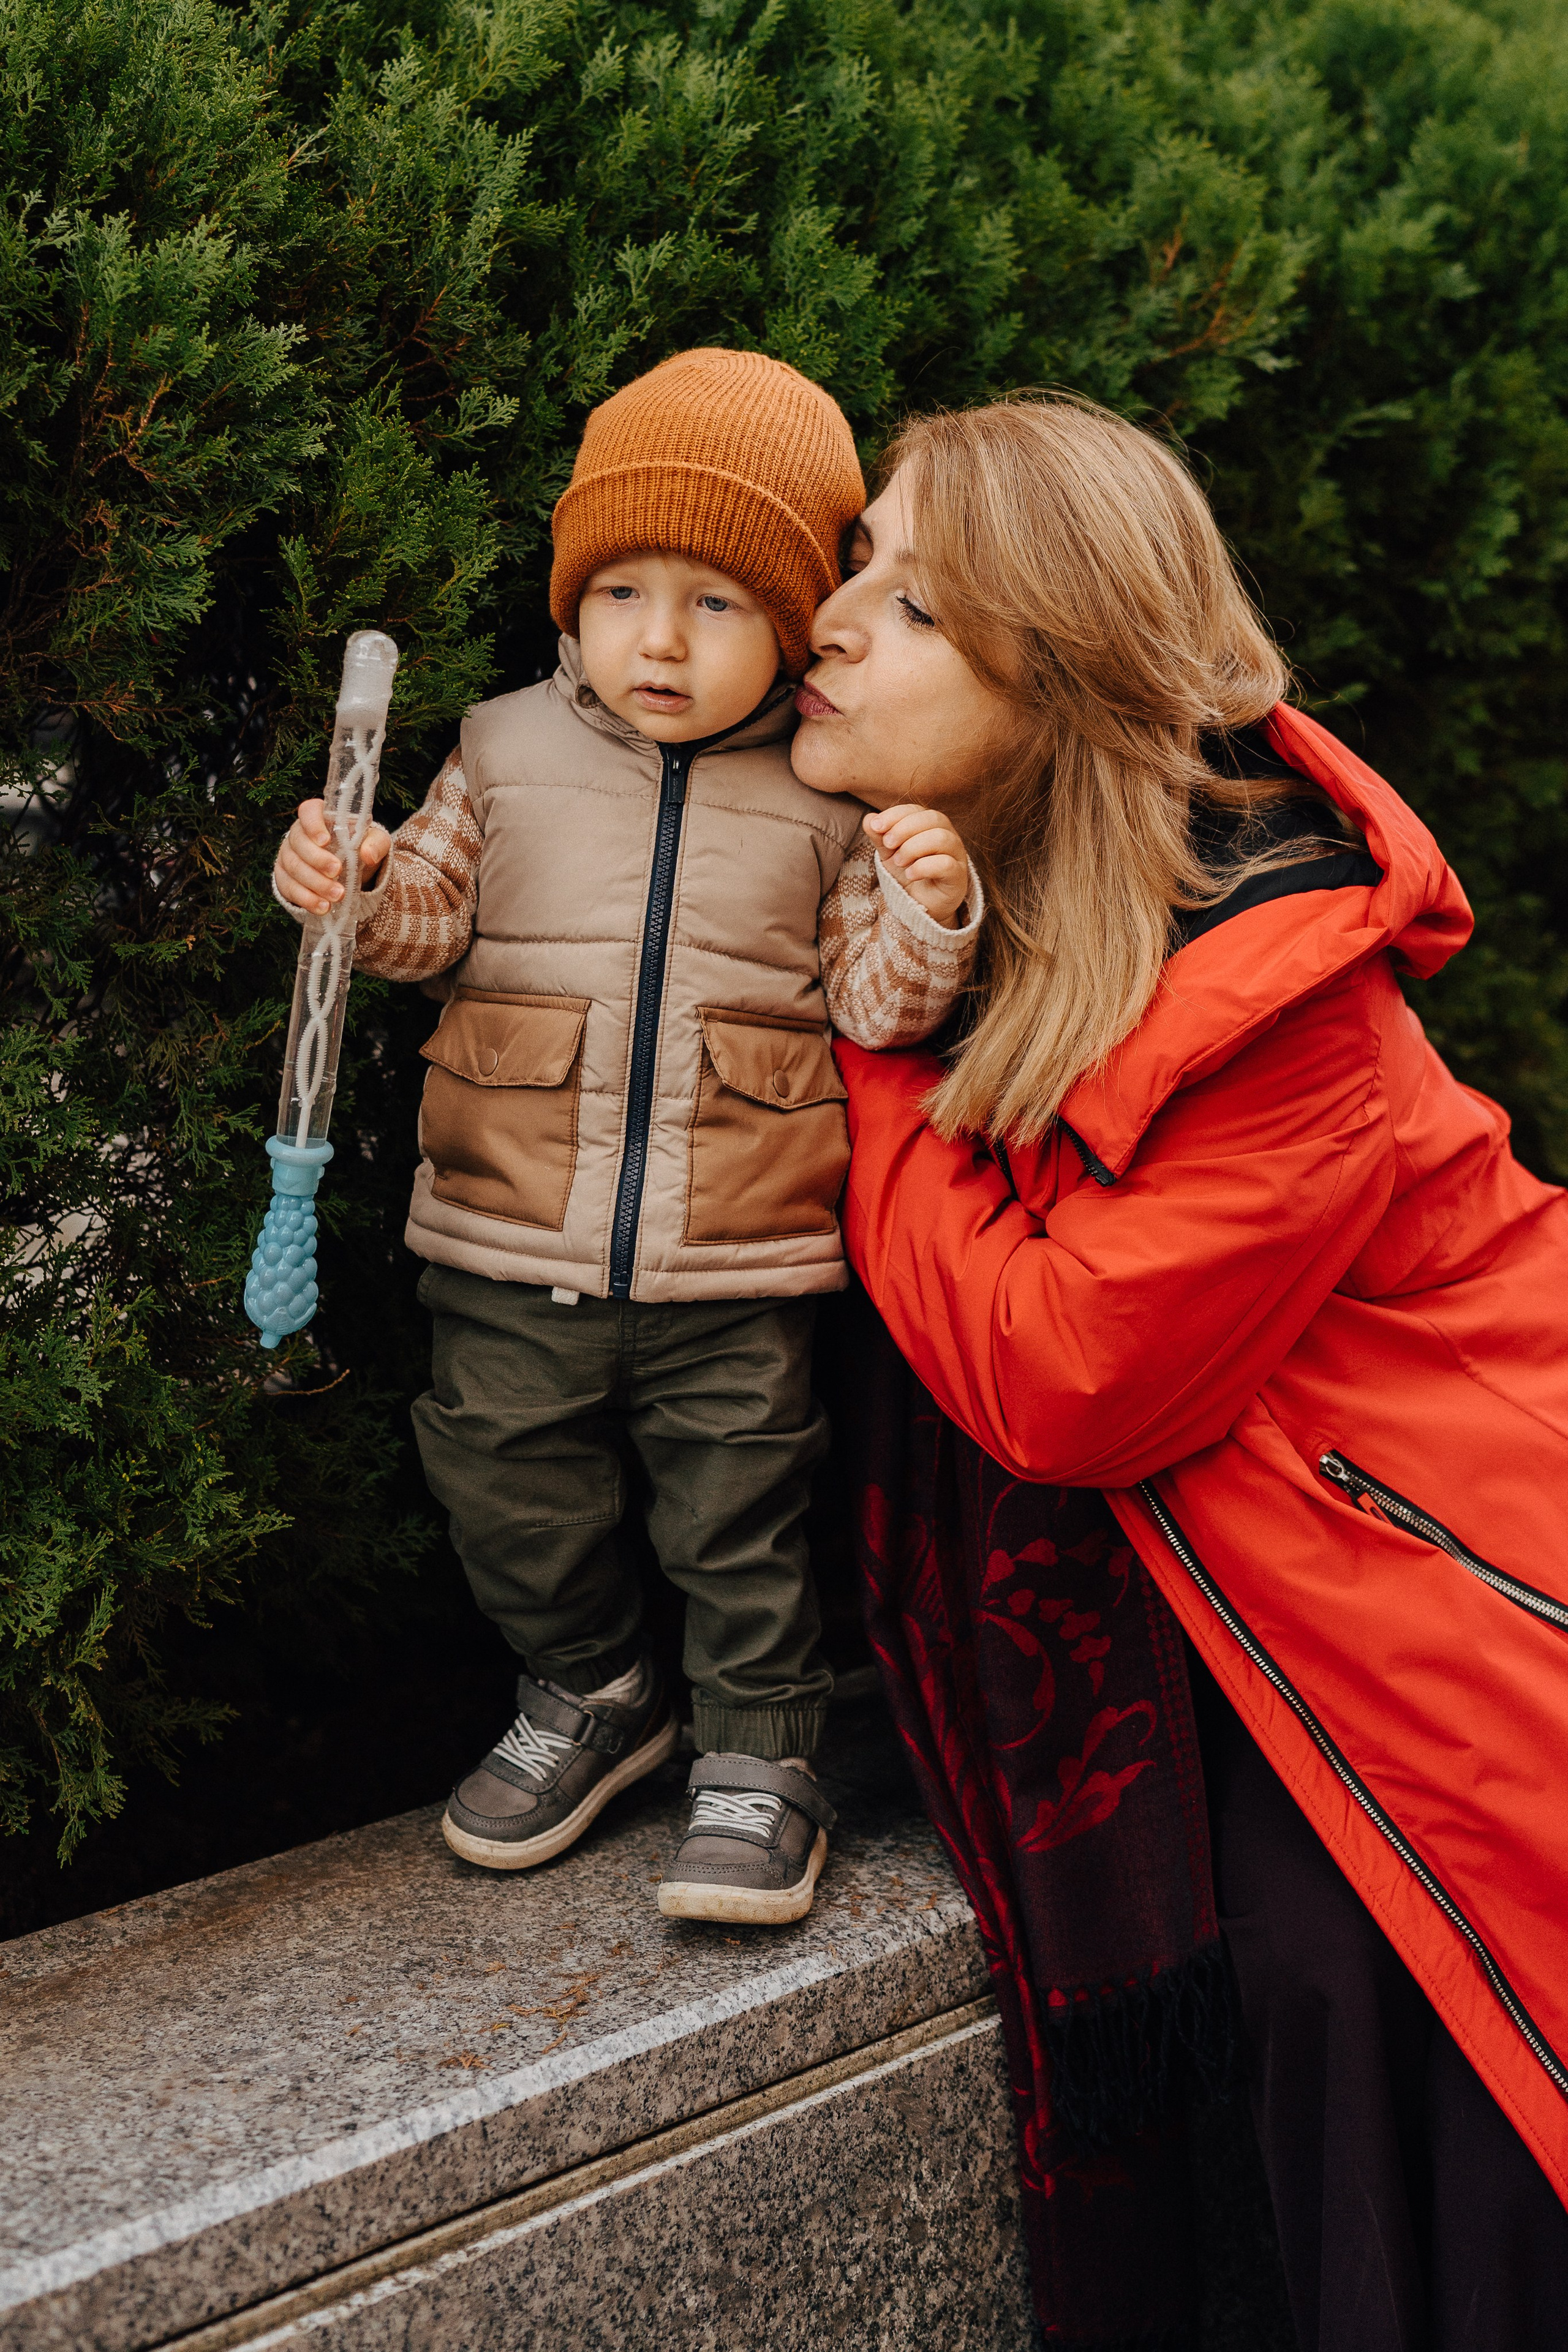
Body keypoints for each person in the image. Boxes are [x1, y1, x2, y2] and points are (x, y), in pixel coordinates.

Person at [788, 393, 1568, 2349]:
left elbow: (1063, 1378)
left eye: (912, 603)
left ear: (1055, 672)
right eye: (855, 563)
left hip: (1478, 1630)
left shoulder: (1286, 993)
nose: (829, 618)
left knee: (1386, 2040)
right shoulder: (1046, 905)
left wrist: (882, 1060)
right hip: (1354, 1589)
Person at [270, 349, 982, 1926]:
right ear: (570, 602)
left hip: (737, 1245)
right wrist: (359, 881)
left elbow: (875, 1008)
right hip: (507, 1223)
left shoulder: (824, 788)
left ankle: (763, 1752)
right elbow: (427, 921)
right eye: (623, 593)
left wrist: (932, 911)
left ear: (798, 621)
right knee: (502, 1484)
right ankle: (592, 1688)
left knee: (742, 1515)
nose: (660, 639)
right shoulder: (502, 748)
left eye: (719, 602)